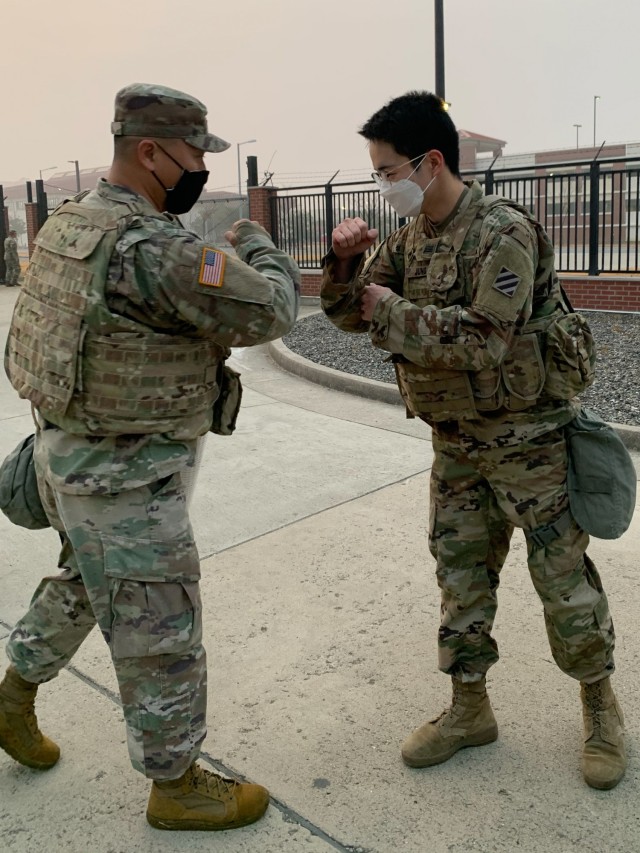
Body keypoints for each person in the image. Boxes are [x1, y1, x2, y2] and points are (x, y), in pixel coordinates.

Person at [0, 83, 300, 830]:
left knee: (82, 583)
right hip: (127, 483)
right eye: (195, 153)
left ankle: (11, 698)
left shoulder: (71, 224)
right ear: (149, 151)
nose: (200, 167)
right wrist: (257, 245)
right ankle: (175, 784)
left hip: (65, 460)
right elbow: (271, 308)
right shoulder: (154, 247)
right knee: (160, 627)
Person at [321, 91, 625, 790]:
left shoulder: (501, 231)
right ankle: (468, 708)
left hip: (530, 443)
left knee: (562, 581)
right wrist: (342, 265)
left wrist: (389, 309)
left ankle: (601, 707)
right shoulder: (409, 238)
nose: (382, 185)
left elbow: (486, 341)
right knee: (459, 576)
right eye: (375, 173)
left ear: (430, 162)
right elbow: (349, 312)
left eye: (388, 170)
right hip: (455, 444)